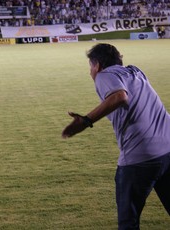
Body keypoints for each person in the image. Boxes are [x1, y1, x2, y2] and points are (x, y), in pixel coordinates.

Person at [61, 43, 170, 229]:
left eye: (90, 67)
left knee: (128, 223)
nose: (90, 72)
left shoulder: (104, 75)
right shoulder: (136, 72)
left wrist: (85, 121)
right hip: (168, 151)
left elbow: (120, 96)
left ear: (97, 65)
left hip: (140, 157)